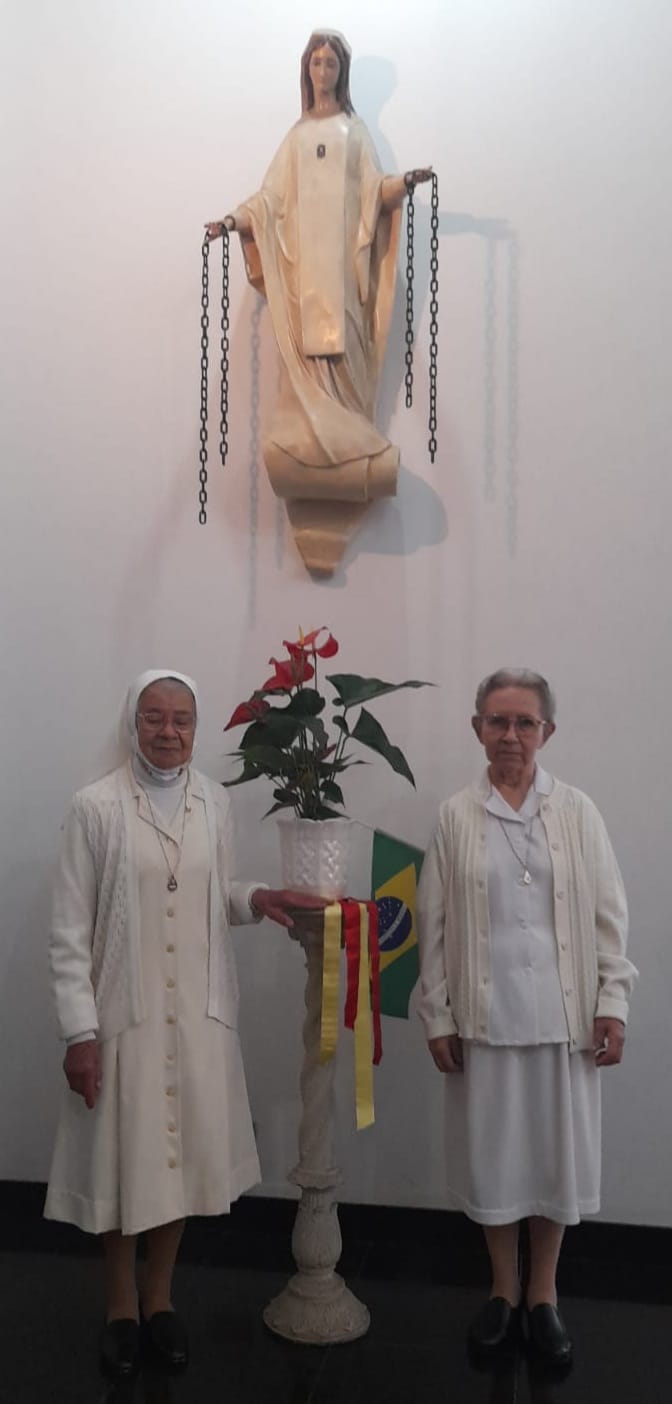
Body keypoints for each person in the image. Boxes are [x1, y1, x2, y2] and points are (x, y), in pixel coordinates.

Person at [45, 670, 324, 1379]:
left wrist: (255, 897)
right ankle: (120, 1306)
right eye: (154, 717)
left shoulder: (213, 803)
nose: (168, 731)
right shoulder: (94, 807)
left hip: (197, 1012)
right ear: (132, 723)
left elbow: (210, 892)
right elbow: (70, 931)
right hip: (124, 1016)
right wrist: (79, 1033)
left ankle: (160, 1298)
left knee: (176, 1163)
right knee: (123, 1160)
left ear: (195, 728)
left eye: (181, 719)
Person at [416, 669, 637, 1367]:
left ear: (547, 731)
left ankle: (544, 1294)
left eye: (524, 722)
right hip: (485, 1019)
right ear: (477, 728)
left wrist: (612, 1002)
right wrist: (437, 1014)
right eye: (497, 721)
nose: (510, 735)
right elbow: (432, 926)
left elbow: (608, 915)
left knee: (552, 1161)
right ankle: (502, 1290)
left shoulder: (577, 811)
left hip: (564, 1022)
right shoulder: (456, 816)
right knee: (495, 1160)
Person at [205, 30, 431, 560]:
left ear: (340, 73)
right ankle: (313, 443)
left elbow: (374, 188)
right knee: (305, 357)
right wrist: (234, 220)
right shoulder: (297, 137)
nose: (323, 71)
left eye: (331, 63)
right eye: (317, 63)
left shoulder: (354, 132)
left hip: (342, 274)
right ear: (306, 70)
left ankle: (348, 437)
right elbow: (269, 199)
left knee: (346, 352)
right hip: (306, 278)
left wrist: (403, 184)